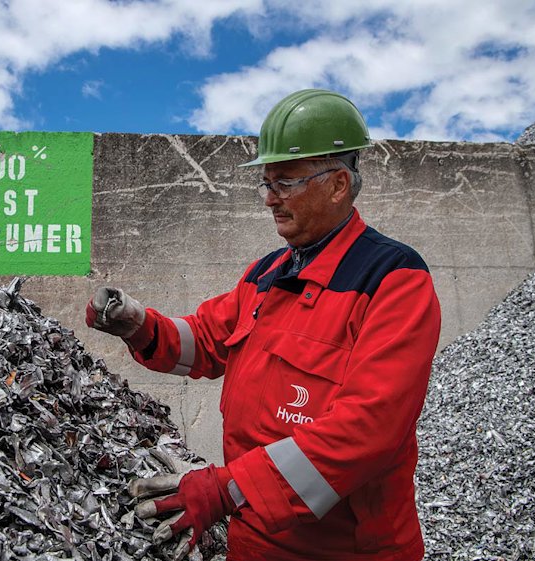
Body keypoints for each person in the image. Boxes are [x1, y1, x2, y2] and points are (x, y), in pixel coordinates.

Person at [86, 89, 442, 561]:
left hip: (348, 550)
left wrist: (225, 489)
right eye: (267, 183)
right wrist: (139, 326)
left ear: (338, 185)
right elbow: (206, 341)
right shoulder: (268, 274)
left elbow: (368, 430)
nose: (269, 199)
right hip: (253, 538)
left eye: (285, 183)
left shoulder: (393, 280)